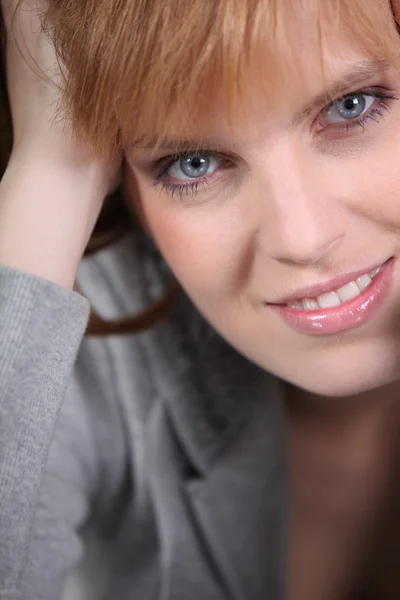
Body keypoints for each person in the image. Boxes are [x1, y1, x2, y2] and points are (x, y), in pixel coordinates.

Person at [1, 0, 400, 598]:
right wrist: (53, 166)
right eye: (194, 163)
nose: (301, 237)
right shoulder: (83, 344)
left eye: (352, 106)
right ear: (125, 192)